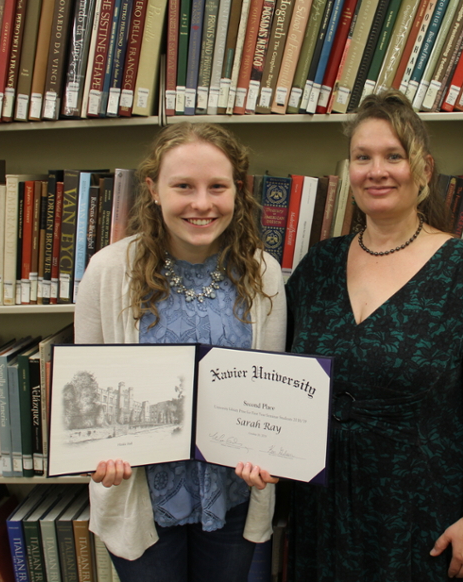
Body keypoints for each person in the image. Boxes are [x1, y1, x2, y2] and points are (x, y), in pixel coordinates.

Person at [239, 90, 463, 581]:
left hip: (423, 518)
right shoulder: (320, 266)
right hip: (324, 514)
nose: (376, 170)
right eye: (362, 157)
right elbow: (275, 374)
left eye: (394, 156)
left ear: (424, 168)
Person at [74, 122, 286, 582]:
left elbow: (272, 389)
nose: (202, 204)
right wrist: (96, 451)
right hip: (139, 498)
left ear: (238, 190)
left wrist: (271, 449)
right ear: (152, 189)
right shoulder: (109, 271)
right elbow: (84, 390)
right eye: (183, 186)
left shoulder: (263, 273)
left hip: (231, 496)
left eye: (217, 187)